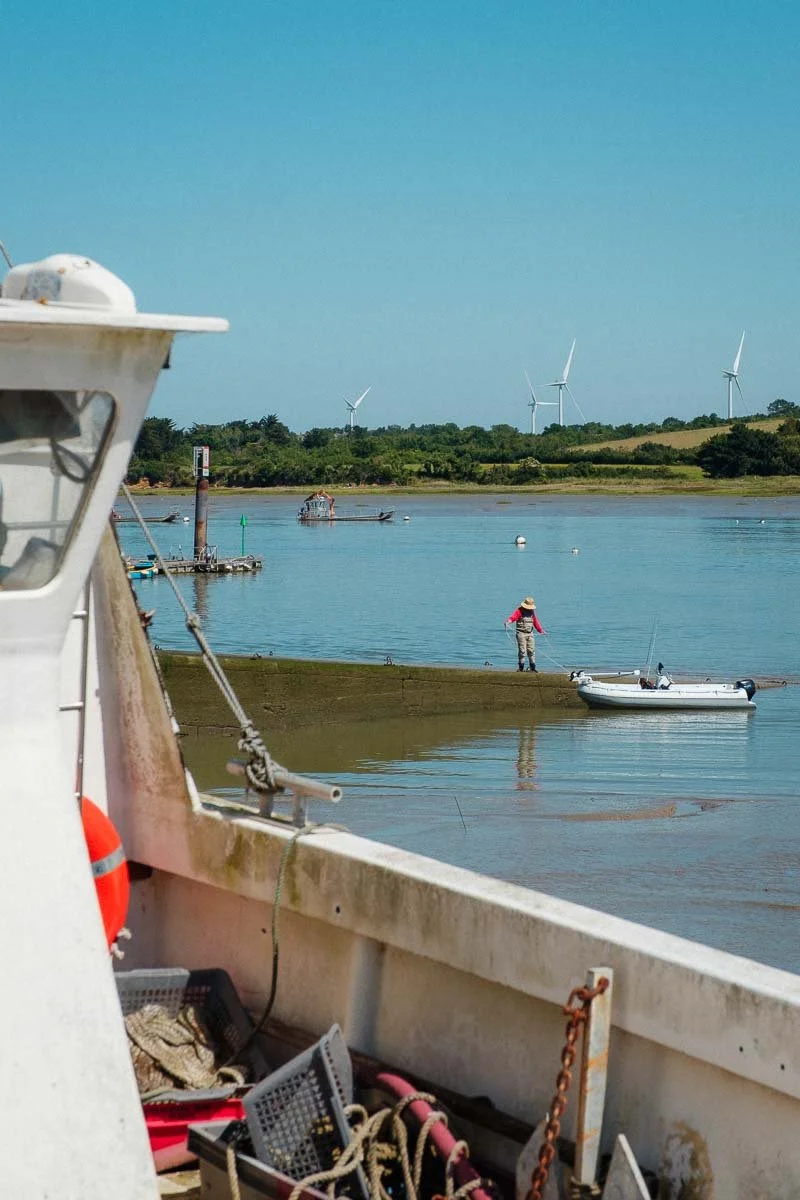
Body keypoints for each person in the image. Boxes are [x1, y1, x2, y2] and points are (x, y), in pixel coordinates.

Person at [505, 596, 545, 672]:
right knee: (522, 651)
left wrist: (541, 631)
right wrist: (508, 622)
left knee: (531, 650)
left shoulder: (532, 612)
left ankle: (533, 668)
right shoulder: (519, 611)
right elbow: (513, 617)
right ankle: (521, 668)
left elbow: (535, 622)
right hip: (521, 633)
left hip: (530, 634)